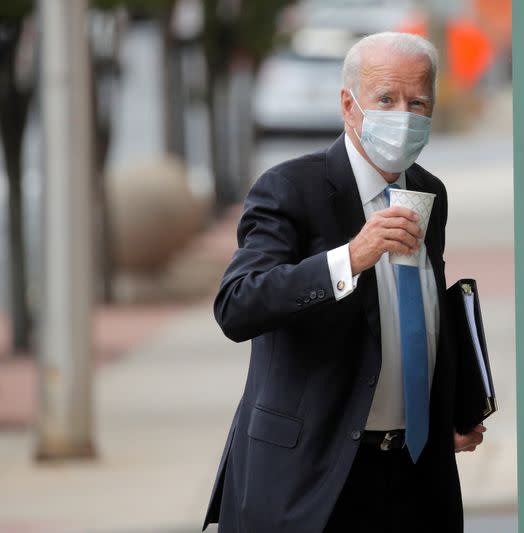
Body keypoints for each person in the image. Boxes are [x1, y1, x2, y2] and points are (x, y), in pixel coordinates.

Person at [202, 31, 486, 533]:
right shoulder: (290, 188)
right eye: (386, 99)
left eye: (418, 101)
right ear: (348, 106)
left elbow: (417, 315)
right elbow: (237, 305)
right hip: (314, 476)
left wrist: (450, 409)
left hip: (417, 474)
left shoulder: (427, 190)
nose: (404, 114)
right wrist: (350, 258)